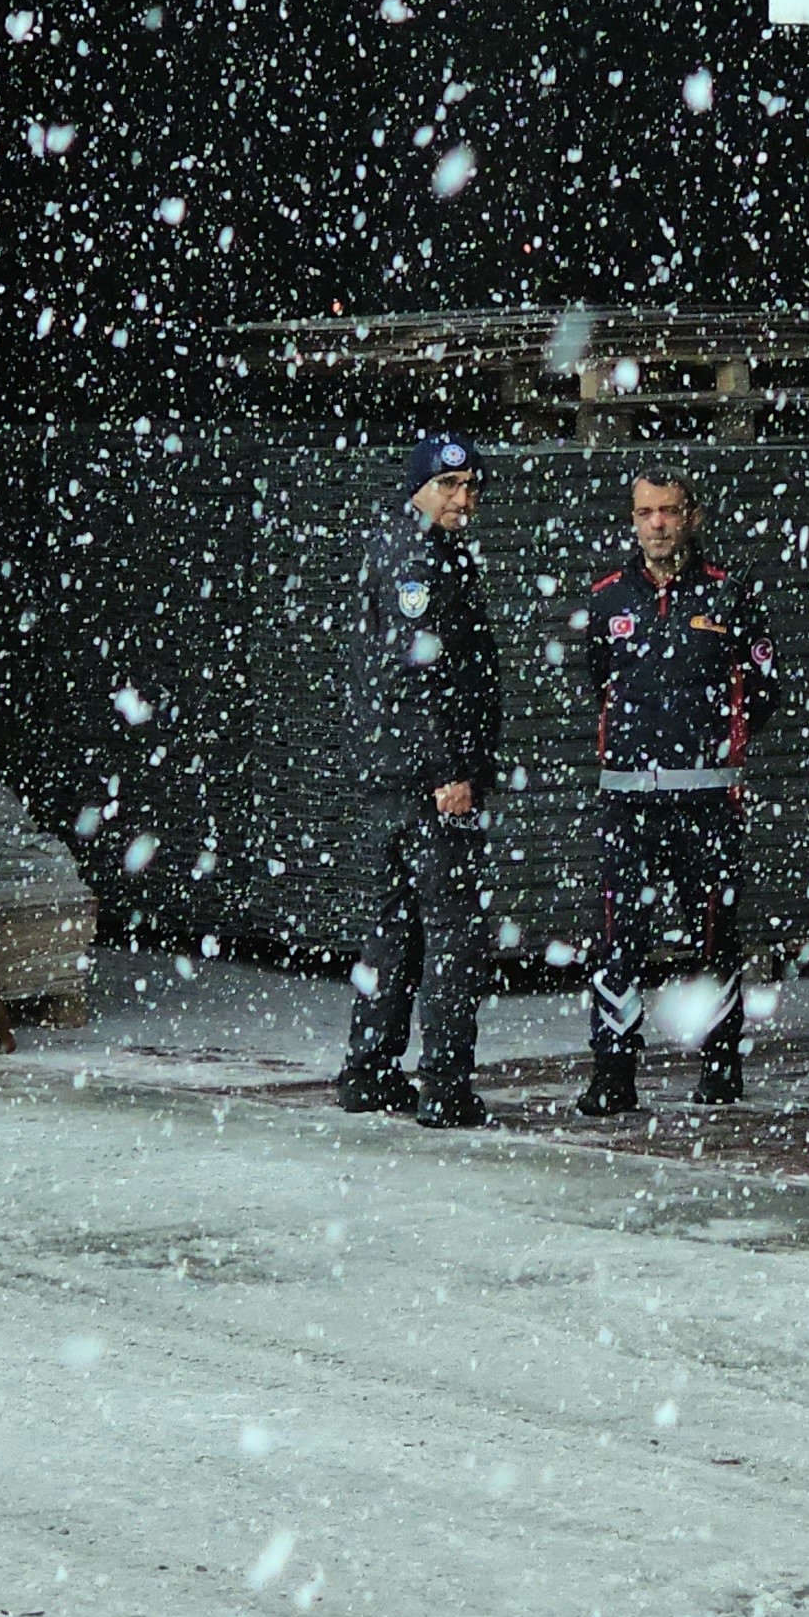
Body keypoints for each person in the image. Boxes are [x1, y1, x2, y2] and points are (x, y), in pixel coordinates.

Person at [574, 467, 776, 1113]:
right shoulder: (607, 598)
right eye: (644, 513)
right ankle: (613, 1072)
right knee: (617, 939)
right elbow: (596, 681)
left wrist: (717, 743)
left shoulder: (729, 594)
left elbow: (765, 687)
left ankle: (720, 1067)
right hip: (627, 801)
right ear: (632, 520)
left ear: (693, 515)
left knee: (713, 935)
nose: (656, 524)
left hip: (707, 801)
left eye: (668, 510)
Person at [336, 433, 504, 1127]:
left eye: (471, 488)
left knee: (396, 928)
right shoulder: (419, 561)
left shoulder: (406, 549)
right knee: (450, 930)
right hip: (425, 780)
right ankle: (444, 1084)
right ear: (420, 489)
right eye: (449, 487)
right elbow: (425, 675)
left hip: (394, 774)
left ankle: (370, 1070)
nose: (463, 500)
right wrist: (450, 772)